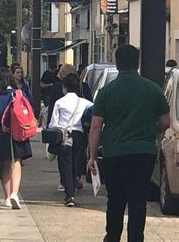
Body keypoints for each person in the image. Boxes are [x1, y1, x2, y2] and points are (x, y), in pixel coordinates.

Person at [88, 45, 170, 242]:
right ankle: (135, 238)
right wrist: (151, 132)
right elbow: (166, 121)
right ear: (138, 63)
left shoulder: (106, 92)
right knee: (137, 200)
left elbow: (96, 127)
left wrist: (92, 156)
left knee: (115, 199)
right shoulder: (152, 89)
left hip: (114, 152)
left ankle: (112, 236)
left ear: (117, 64)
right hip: (143, 152)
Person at [0, 68, 32, 209]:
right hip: (19, 133)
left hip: (2, 134)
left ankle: (7, 197)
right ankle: (15, 193)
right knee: (17, 162)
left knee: (5, 164)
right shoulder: (20, 93)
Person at [49, 74, 93, 207]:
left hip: (63, 135)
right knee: (76, 162)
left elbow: (53, 124)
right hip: (78, 135)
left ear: (64, 88)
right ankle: (74, 182)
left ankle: (69, 195)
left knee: (65, 164)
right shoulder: (85, 103)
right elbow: (94, 113)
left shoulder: (60, 102)